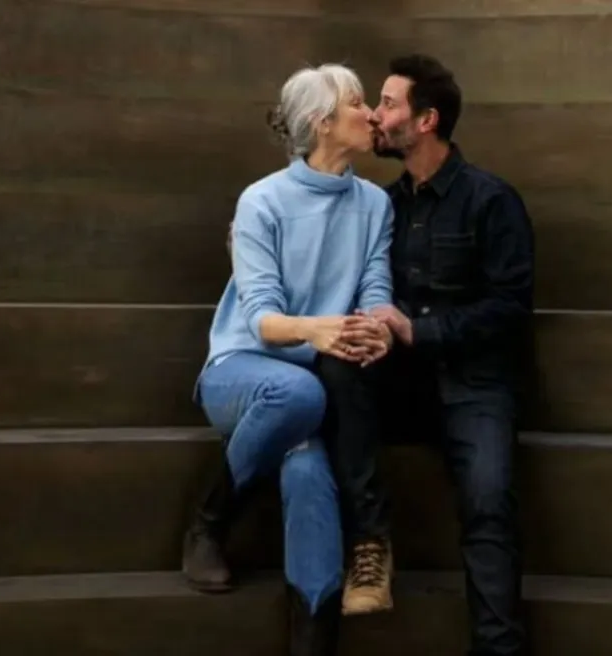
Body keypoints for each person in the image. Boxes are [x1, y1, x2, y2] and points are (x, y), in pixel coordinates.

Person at [315, 54, 534, 655]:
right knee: (335, 369)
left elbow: (510, 308)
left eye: (388, 104)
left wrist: (418, 330)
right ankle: (369, 546)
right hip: (404, 383)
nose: (375, 115)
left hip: (476, 384)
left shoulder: (491, 200)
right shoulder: (382, 206)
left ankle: (499, 650)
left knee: (488, 503)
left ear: (426, 120)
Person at [181, 62, 395, 655]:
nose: (370, 114)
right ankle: (211, 519)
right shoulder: (262, 201)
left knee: (307, 472)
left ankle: (313, 638)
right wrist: (317, 331)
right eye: (357, 103)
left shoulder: (375, 204)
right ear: (322, 122)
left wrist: (378, 328)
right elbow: (261, 320)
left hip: (316, 380)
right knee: (300, 394)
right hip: (243, 371)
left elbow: (375, 287)